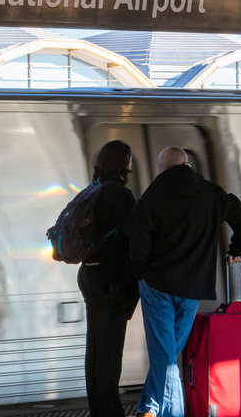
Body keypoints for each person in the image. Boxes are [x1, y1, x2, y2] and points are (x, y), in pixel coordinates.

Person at [129, 146, 241, 417]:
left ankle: (171, 413)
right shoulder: (210, 192)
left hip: (157, 286)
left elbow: (137, 243)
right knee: (169, 352)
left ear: (162, 169)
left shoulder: (152, 197)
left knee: (165, 355)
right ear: (187, 163)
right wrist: (237, 250)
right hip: (193, 286)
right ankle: (148, 408)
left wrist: (140, 272)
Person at [77, 140, 138, 417]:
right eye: (129, 158)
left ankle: (98, 409)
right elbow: (135, 237)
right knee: (110, 352)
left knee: (96, 347)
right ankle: (111, 412)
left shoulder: (92, 190)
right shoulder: (120, 195)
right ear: (122, 163)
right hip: (111, 282)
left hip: (89, 275)